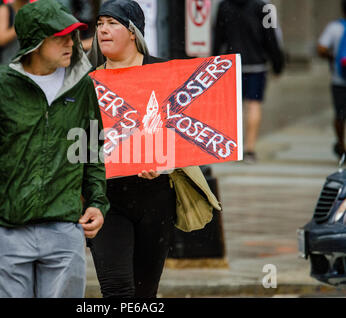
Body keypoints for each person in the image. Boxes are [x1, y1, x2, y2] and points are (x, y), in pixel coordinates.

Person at [0, 0, 109, 298]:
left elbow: (91, 149)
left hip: (65, 230)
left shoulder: (82, 86)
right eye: (60, 36)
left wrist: (97, 202)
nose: (70, 43)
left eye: (73, 35)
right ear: (36, 43)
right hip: (7, 232)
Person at [86, 0, 220, 298]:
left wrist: (166, 163)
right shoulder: (88, 82)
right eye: (99, 24)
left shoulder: (165, 73)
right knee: (117, 290)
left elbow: (185, 133)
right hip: (106, 199)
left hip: (156, 198)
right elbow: (80, 141)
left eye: (112, 23)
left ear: (133, 32)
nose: (102, 30)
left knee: (145, 293)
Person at [213, 0, 285, 164]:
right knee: (253, 104)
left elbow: (217, 36)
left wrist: (214, 61)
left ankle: (232, 148)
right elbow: (271, 37)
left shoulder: (224, 6)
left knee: (233, 107)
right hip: (256, 64)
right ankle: (249, 149)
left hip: (231, 63)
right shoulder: (265, 7)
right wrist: (277, 63)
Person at [318, 0, 346, 159]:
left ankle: (341, 145)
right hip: (339, 79)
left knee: (340, 114)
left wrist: (332, 57)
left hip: (339, 79)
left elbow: (321, 48)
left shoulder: (335, 27)